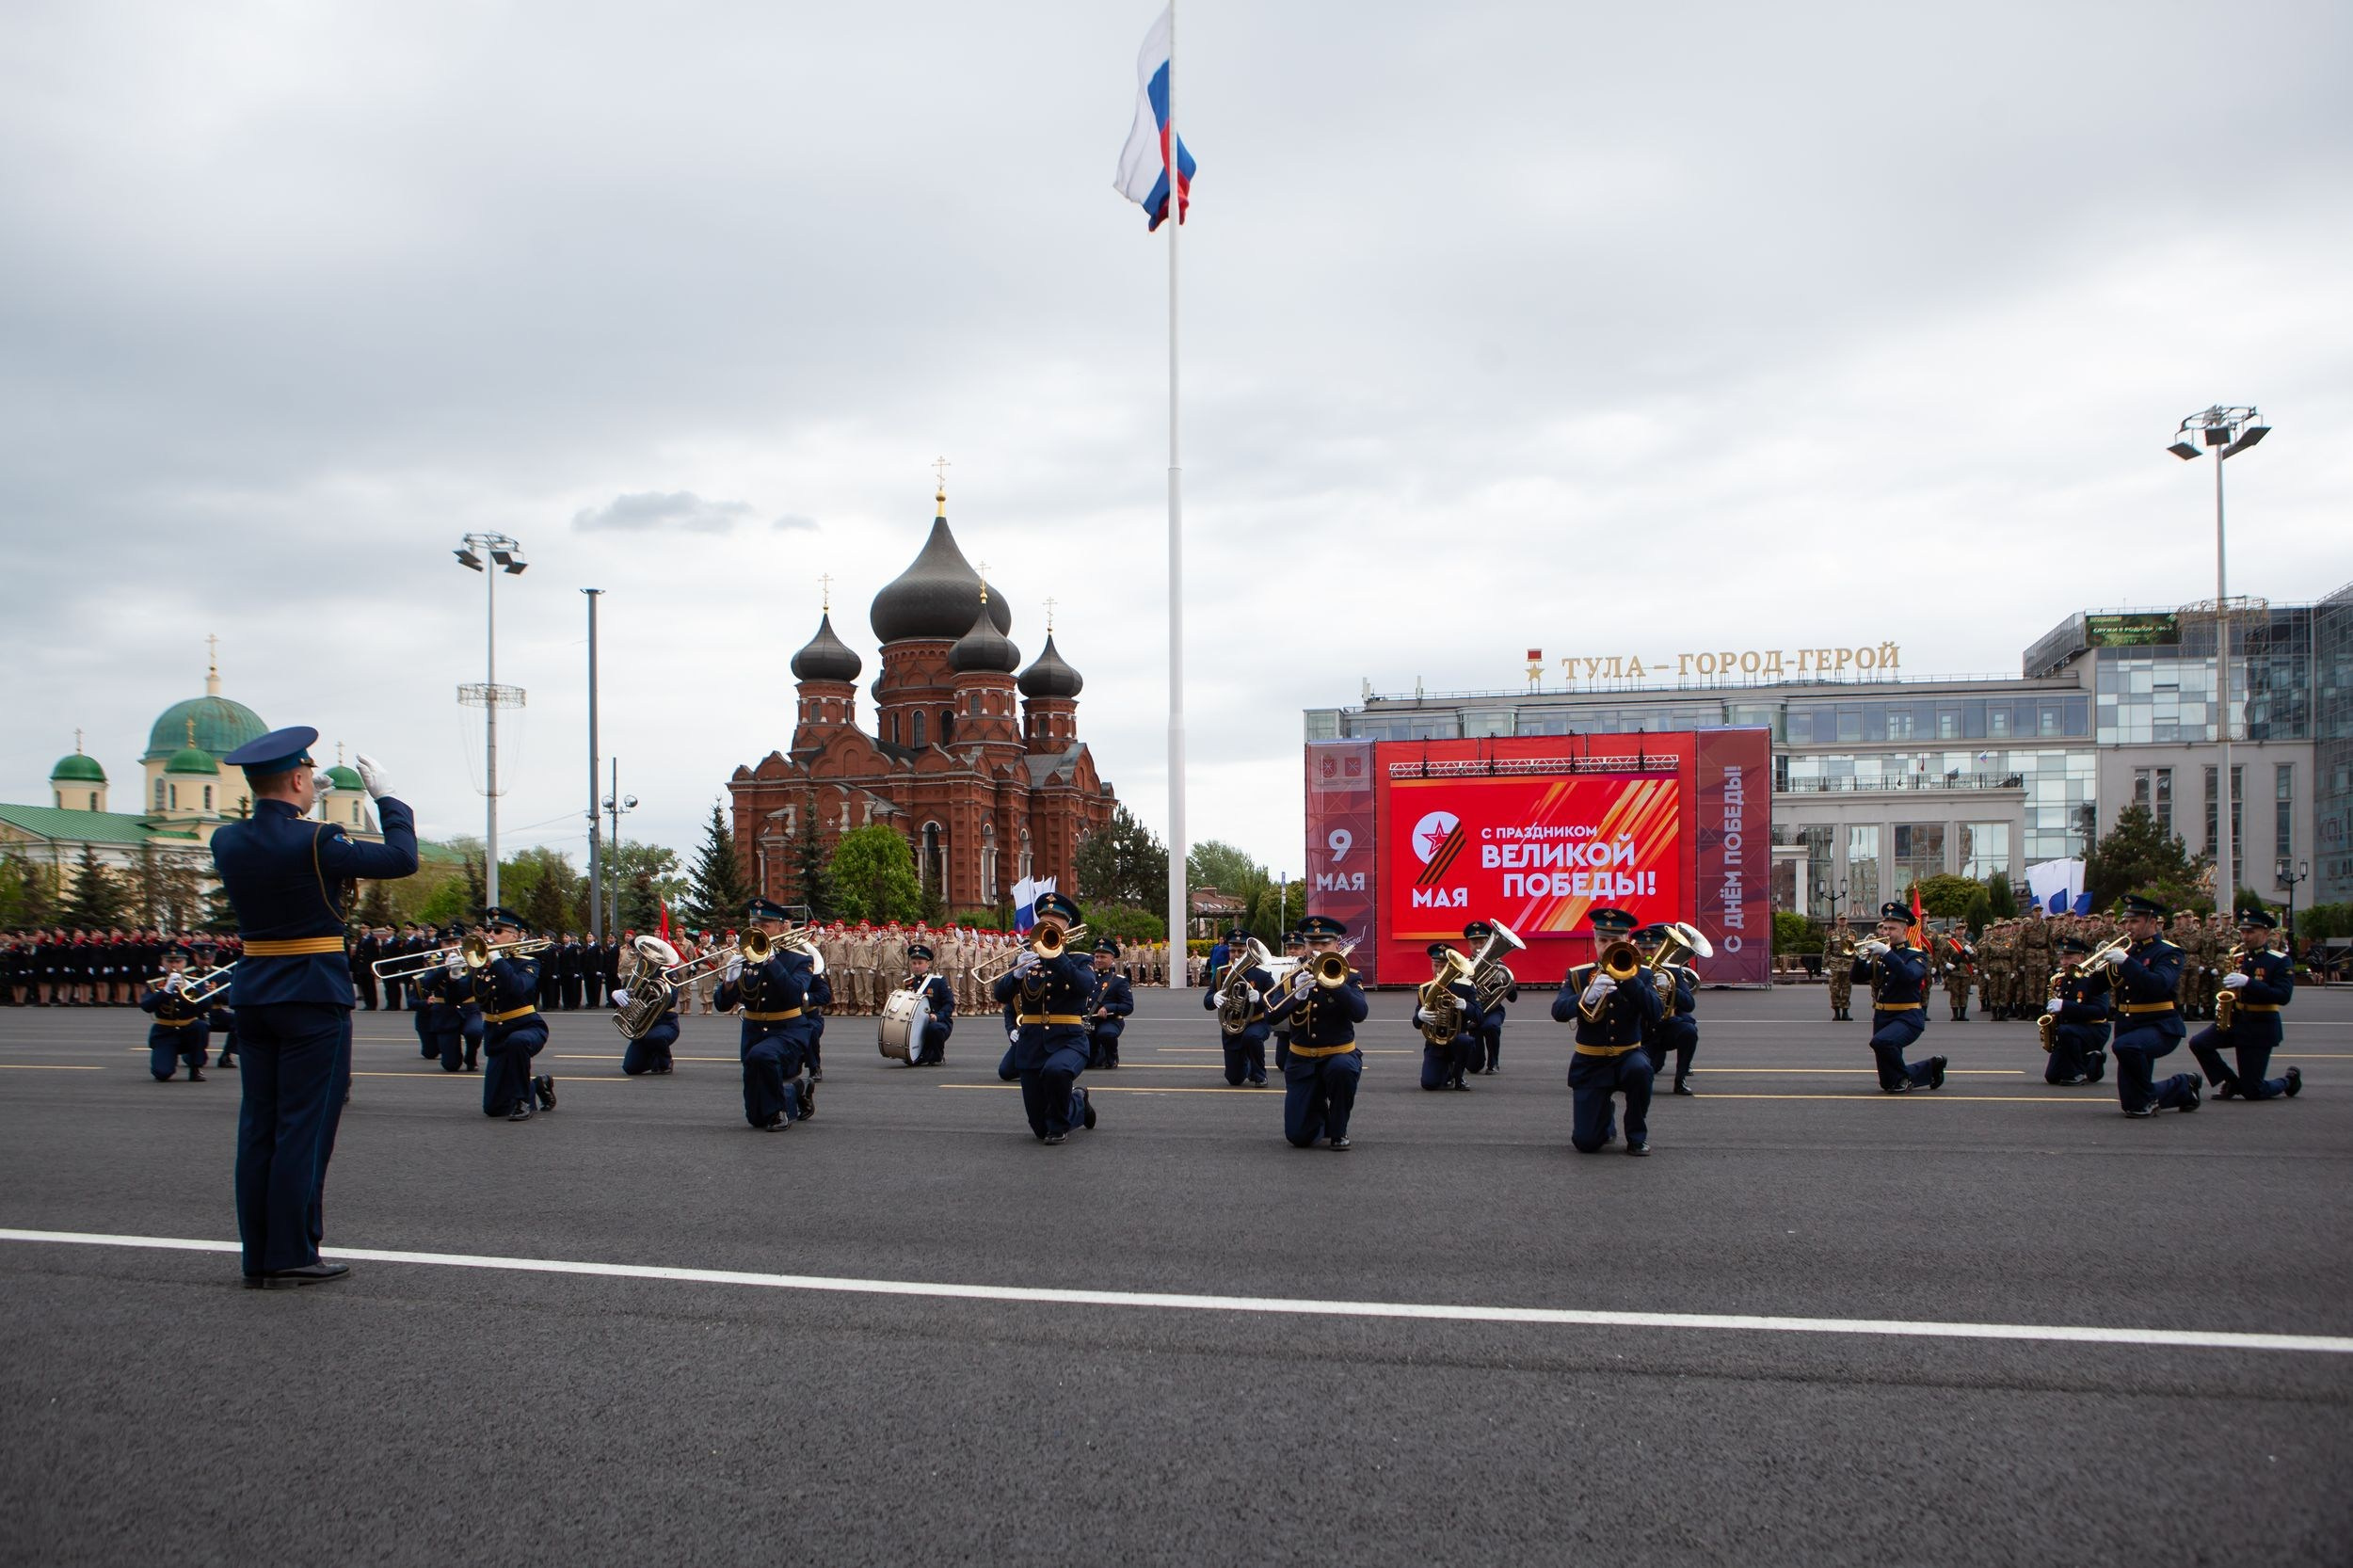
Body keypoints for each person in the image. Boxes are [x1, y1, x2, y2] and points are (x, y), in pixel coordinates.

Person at [210, 728, 417, 1288]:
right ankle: (291, 1253)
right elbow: (401, 858)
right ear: (301, 779)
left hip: (254, 991)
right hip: (311, 993)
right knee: (304, 1127)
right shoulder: (320, 838)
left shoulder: (226, 840)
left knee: (259, 1127)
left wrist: (302, 812)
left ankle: (259, 1254)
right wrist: (388, 799)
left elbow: (276, 845)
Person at [1549, 907, 1663, 1154]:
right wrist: (1586, 996)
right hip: (1590, 1061)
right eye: (1603, 940)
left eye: (1615, 941)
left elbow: (1656, 1012)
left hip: (1627, 1055)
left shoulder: (1643, 974)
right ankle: (1604, 1114)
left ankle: (1636, 1136)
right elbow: (1558, 1011)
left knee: (1641, 1069)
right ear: (1595, 941)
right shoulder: (1578, 974)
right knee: (1586, 1143)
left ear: (1627, 941)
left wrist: (1629, 980)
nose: (1608, 946)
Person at [990, 893, 1099, 1144]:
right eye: (1043, 922)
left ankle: (1060, 1125)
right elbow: (1001, 995)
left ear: (1067, 928)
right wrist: (1016, 974)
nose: (1048, 925)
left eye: (1055, 922)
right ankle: (1078, 1102)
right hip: (1031, 1043)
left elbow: (1084, 986)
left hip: (1068, 1041)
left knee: (1056, 1071)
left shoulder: (1079, 960)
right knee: (1040, 1128)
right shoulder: (1027, 959)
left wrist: (1056, 956)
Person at [2089, 893, 2201, 1117]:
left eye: (2134, 921)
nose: (2128, 927)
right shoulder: (2128, 951)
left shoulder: (2168, 952)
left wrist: (2126, 962)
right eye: (2126, 921)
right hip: (2128, 1025)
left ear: (2152, 922)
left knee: (2126, 1047)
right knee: (2132, 1103)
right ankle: (2183, 1087)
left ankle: (2170, 1089)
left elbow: (2159, 984)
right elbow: (2096, 988)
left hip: (2159, 1024)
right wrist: (2098, 966)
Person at [1261, 914, 1368, 1149]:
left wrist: (1335, 984)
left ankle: (1339, 1129)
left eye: (1324, 943)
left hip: (1338, 1055)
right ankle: (1318, 1109)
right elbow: (1271, 1016)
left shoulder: (1350, 976)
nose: (1316, 949)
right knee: (1298, 1137)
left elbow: (1360, 1013)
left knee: (1342, 1070)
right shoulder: (1291, 978)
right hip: (1301, 1060)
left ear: (1336, 945)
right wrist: (1296, 997)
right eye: (1311, 943)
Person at [713, 900, 817, 1131]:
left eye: (765, 925)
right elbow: (722, 1005)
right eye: (754, 925)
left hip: (787, 1028)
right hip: (753, 1031)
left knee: (763, 1057)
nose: (758, 930)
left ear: (781, 927)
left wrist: (771, 961)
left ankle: (779, 1112)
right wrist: (728, 982)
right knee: (756, 1117)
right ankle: (796, 1090)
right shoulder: (745, 957)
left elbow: (795, 995)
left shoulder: (799, 959)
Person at [2189, 908, 2303, 1102]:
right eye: (2242, 931)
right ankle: (2232, 1082)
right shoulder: (2237, 956)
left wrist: (2249, 983)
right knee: (2199, 1043)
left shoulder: (2279, 961)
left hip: (2260, 1025)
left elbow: (2283, 996)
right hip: (2236, 1018)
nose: (2245, 936)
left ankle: (2288, 1080)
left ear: (2265, 933)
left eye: (2250, 932)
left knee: (2253, 1091)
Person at [1849, 901, 1946, 1094]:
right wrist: (1860, 959)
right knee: (1888, 1082)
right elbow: (1857, 978)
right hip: (1882, 1016)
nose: (1887, 933)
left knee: (1881, 1042)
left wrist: (1886, 953)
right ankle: (1931, 1067)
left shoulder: (1915, 955)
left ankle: (1905, 1078)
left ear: (1904, 930)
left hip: (1907, 1016)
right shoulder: (1881, 955)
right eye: (1884, 928)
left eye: (1892, 929)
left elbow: (1909, 976)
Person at [475, 908, 556, 1120]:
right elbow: (473, 997)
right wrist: (456, 975)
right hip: (496, 1034)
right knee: (493, 1108)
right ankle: (537, 1085)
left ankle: (523, 1101)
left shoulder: (528, 962)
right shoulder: (484, 964)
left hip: (526, 1027)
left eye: (498, 931)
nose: (491, 935)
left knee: (517, 1042)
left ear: (515, 935)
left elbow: (519, 987)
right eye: (490, 931)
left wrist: (498, 961)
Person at [1635, 922, 1700, 1096]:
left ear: (1659, 948)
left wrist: (1671, 989)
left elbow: (1689, 1004)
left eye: (1652, 949)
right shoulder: (1630, 969)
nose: (1647, 953)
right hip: (1640, 1032)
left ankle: (1680, 1080)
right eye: (1643, 949)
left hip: (1664, 1027)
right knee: (1649, 1069)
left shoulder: (1672, 971)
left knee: (1689, 1031)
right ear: (1636, 948)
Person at [1204, 926, 1273, 1087]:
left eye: (1241, 951)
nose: (1236, 955)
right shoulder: (1221, 973)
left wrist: (1260, 997)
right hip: (1232, 1028)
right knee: (1234, 1079)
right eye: (1233, 951)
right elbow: (1206, 1002)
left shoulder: (1262, 975)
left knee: (1252, 1036)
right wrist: (1214, 998)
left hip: (1256, 1022)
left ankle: (1259, 1074)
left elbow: (1274, 1000)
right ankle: (1245, 1062)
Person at [2041, 935, 2111, 1086]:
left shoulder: (2093, 978)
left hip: (2093, 1028)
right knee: (2052, 1077)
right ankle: (2091, 1059)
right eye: (2062, 958)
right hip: (2069, 1030)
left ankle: (2077, 1072)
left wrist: (2065, 1006)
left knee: (2067, 1032)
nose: (2064, 962)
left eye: (2068, 958)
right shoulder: (2058, 979)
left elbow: (2101, 1011)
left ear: (2081, 958)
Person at [610, 936, 680, 1077]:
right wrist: (615, 995)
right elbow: (622, 1003)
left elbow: (672, 1000)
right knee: (630, 1068)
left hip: (665, 1023)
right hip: (643, 1026)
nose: (639, 955)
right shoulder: (634, 975)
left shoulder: (667, 974)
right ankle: (654, 1056)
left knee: (654, 1037)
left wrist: (652, 991)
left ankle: (666, 1062)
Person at [1415, 940, 1480, 1092]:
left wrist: (1466, 1006)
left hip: (1457, 1040)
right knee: (1429, 1084)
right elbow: (1416, 1024)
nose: (1438, 970)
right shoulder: (1425, 989)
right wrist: (1419, 1016)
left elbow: (1479, 1017)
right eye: (1435, 965)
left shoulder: (1465, 987)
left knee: (1465, 1041)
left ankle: (1459, 1076)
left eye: (1443, 966)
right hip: (1435, 1044)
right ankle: (1447, 1071)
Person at [140, 948, 211, 1081]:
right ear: (162, 962)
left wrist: (188, 989)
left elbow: (206, 1006)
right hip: (165, 1033)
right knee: (162, 1073)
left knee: (200, 1026)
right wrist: (165, 991)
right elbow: (146, 1007)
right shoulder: (154, 984)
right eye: (169, 961)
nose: (174, 965)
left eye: (178, 962)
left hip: (189, 1030)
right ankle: (169, 1058)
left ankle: (195, 1068)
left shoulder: (195, 982)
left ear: (185, 963)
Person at [414, 927, 471, 1073]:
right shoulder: (433, 960)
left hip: (468, 1009)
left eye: (456, 942)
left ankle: (471, 1056)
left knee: (474, 1032)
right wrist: (446, 967)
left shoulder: (472, 957)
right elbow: (427, 984)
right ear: (441, 944)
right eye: (447, 943)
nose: (452, 947)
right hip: (445, 1011)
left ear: (462, 942)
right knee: (450, 1065)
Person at [903, 941, 955, 1066]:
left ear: (928, 964)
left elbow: (949, 1003)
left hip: (938, 1023)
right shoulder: (908, 983)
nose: (916, 966)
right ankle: (917, 1053)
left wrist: (938, 1016)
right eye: (914, 963)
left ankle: (937, 1056)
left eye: (920, 963)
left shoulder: (938, 981)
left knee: (934, 1029)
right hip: (914, 1024)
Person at [1083, 937, 1132, 1070]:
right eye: (1096, 957)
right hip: (1088, 1022)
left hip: (1109, 1021)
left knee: (1106, 1034)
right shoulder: (1087, 977)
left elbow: (1128, 1007)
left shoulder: (1119, 980)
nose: (1098, 960)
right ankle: (1099, 1055)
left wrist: (1108, 1008)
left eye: (1103, 957)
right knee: (1089, 1064)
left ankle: (1112, 1057)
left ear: (1112, 959)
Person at [1269, 930, 1306, 1069]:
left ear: (1304, 950)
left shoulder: (1311, 966)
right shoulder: (1281, 967)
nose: (1292, 951)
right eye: (1289, 948)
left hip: (1305, 1022)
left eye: (1297, 948)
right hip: (1285, 1024)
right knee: (1282, 1063)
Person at [1823, 913, 1858, 1021]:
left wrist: (1857, 964)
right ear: (1837, 921)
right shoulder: (1831, 933)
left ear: (1847, 920)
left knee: (1847, 989)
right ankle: (1837, 1012)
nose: (1842, 921)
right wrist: (1825, 966)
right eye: (1841, 919)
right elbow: (1827, 949)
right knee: (1834, 989)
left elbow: (1856, 949)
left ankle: (1845, 1012)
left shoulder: (1853, 933)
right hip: (1835, 963)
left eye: (1844, 919)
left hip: (1848, 963)